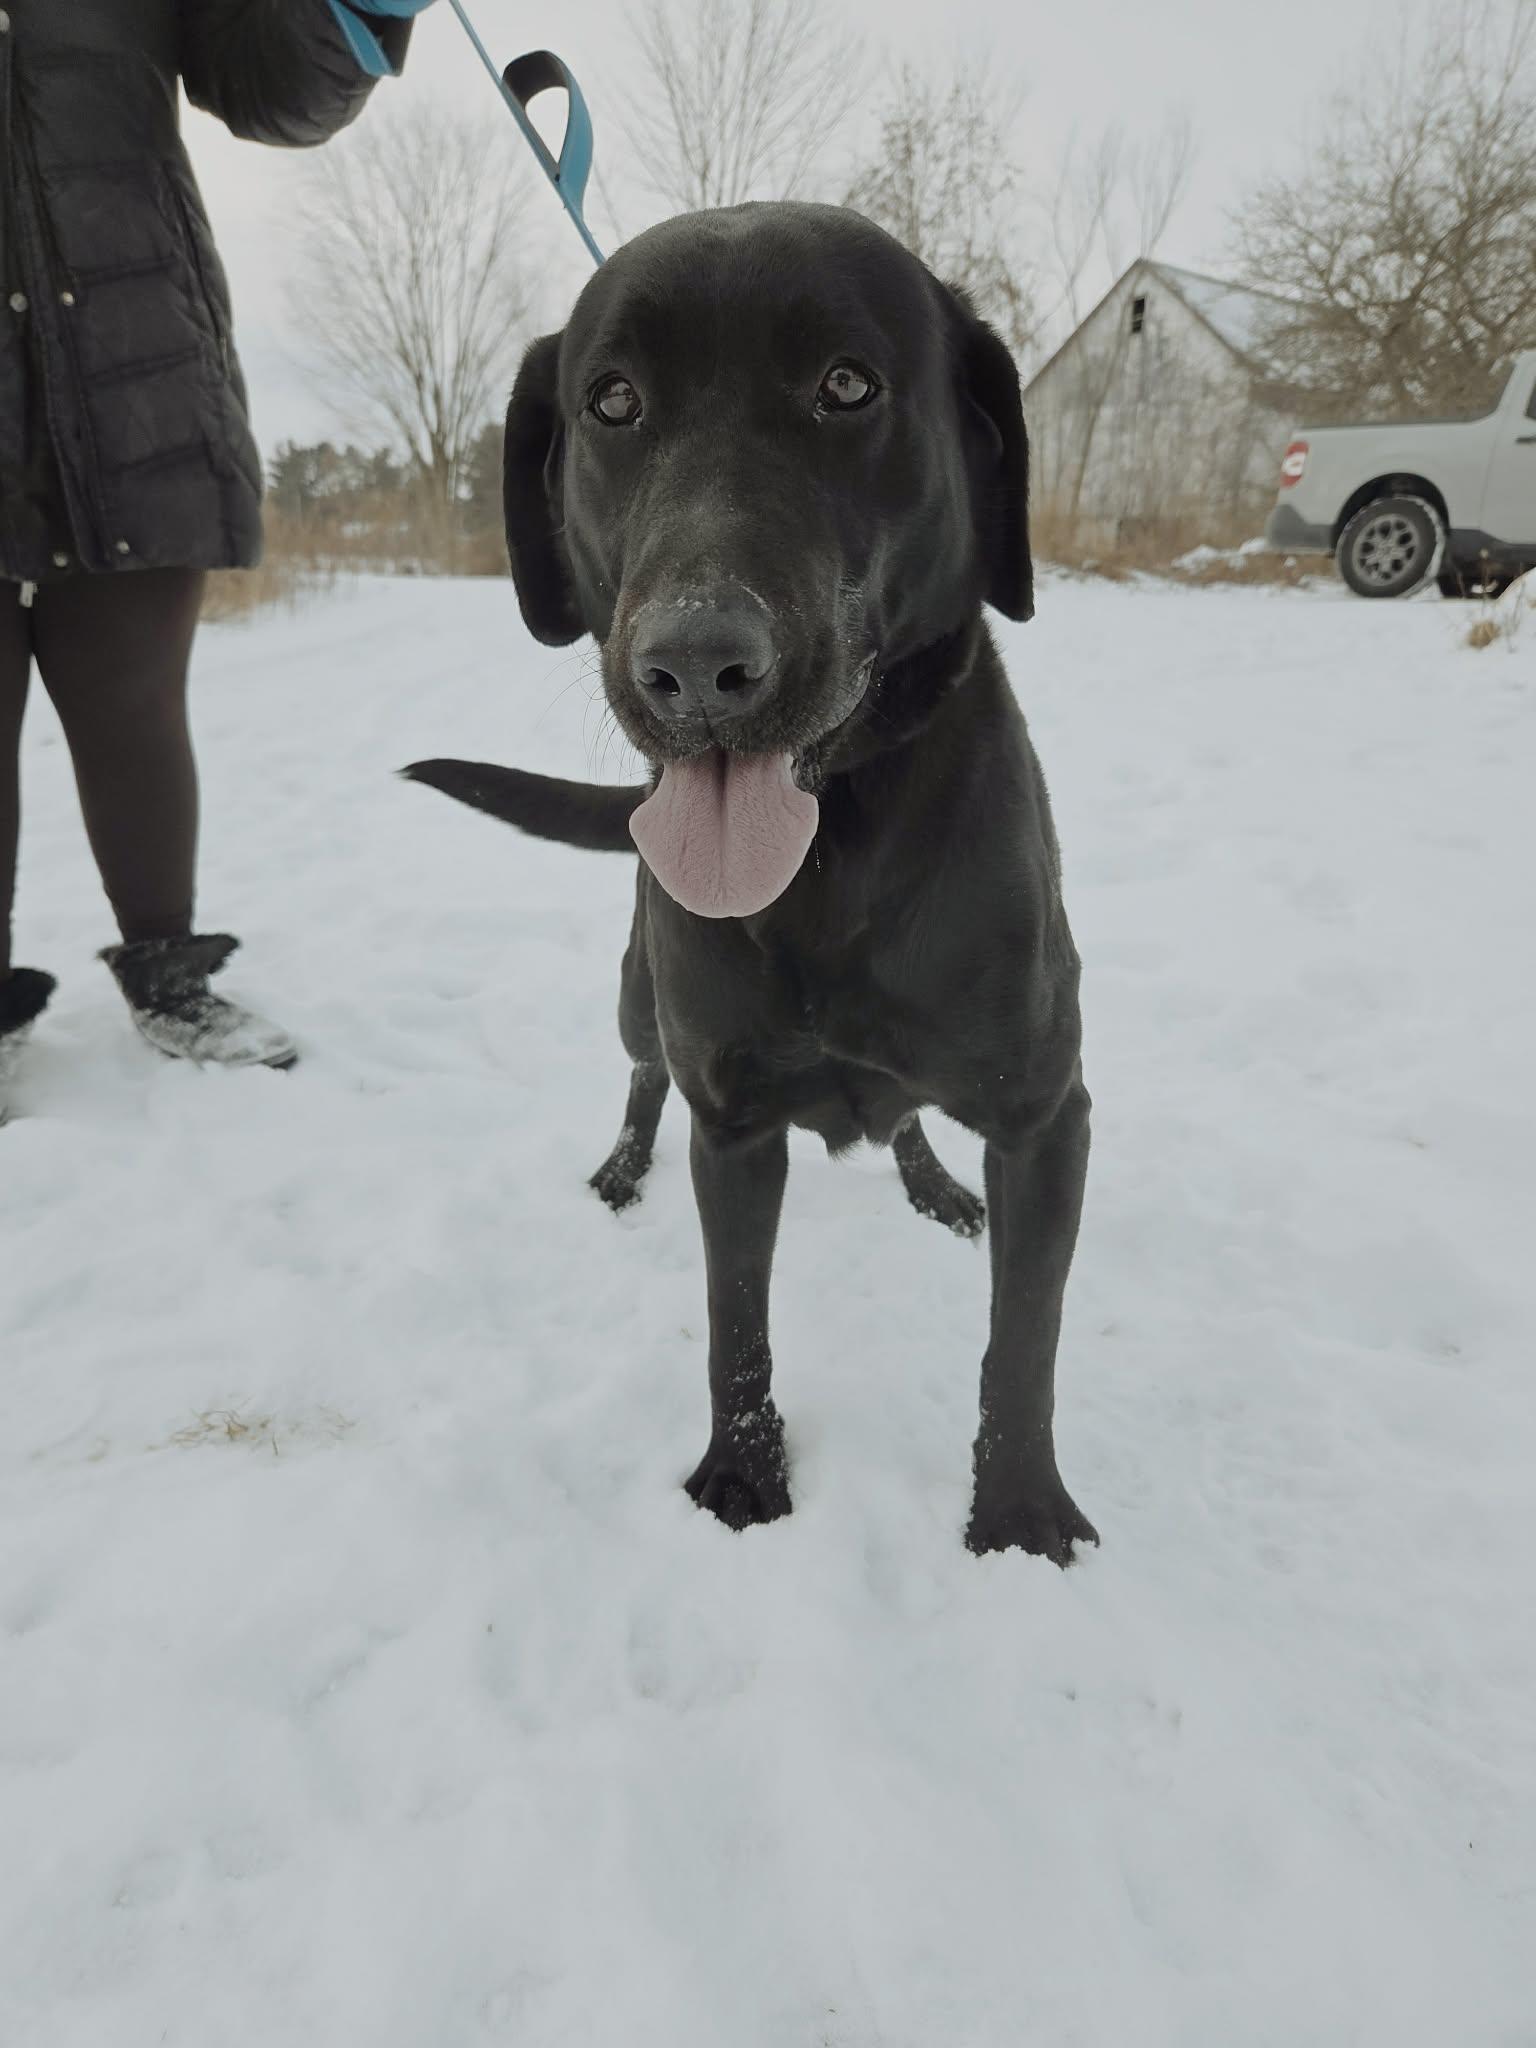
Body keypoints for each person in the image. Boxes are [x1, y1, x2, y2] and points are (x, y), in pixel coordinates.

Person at [0, 0, 435, 1125]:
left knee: (135, 699)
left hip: (128, 357)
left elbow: (271, 85)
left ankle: (173, 980)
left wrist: (367, 6)